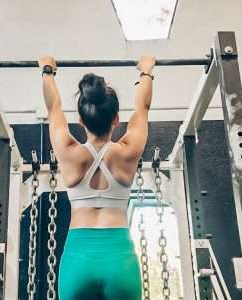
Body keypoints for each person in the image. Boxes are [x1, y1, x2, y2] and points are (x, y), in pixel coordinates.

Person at [38, 55, 155, 300]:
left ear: (80, 121)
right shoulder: (128, 151)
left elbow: (53, 109)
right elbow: (142, 109)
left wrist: (47, 71)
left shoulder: (69, 153)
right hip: (120, 260)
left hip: (78, 260)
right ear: (116, 119)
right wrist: (146, 72)